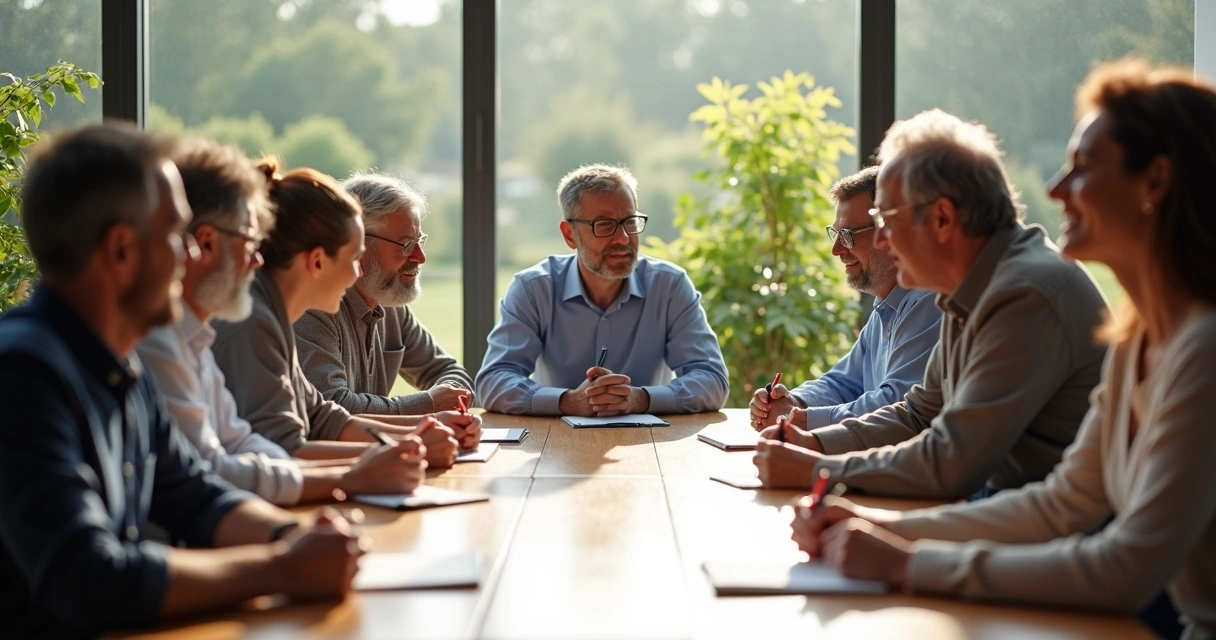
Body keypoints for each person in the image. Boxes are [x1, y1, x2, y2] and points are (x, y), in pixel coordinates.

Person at [790, 59, 1216, 639]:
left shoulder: (1198, 348)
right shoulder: (1140, 337)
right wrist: (874, 523)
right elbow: (1062, 501)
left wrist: (907, 560)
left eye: (1082, 168)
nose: (1054, 189)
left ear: (1156, 182)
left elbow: (1125, 567)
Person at [0, 124, 399, 637]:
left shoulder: (119, 364)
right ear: (121, 250)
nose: (191, 256)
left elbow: (194, 493)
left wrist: (297, 537)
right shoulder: (24, 376)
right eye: (175, 235)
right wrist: (282, 565)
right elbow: (87, 577)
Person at [754, 108, 1109, 499]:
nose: (883, 240)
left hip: (1039, 536)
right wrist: (816, 446)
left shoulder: (1024, 295)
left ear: (942, 218)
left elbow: (951, 462)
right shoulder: (972, 289)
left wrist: (818, 468)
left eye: (887, 219)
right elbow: (917, 413)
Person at [137, 138, 427, 506]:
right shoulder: (246, 321)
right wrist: (362, 471)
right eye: (249, 243)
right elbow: (244, 458)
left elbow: (303, 422)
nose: (257, 261)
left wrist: (401, 447)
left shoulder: (210, 330)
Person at [210, 159, 480, 468]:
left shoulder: (273, 313)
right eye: (353, 257)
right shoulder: (259, 321)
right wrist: (410, 445)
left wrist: (423, 429)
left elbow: (324, 418)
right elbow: (285, 448)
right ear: (318, 261)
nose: (356, 272)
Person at [476, 164, 729, 416]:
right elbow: (493, 381)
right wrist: (568, 402)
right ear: (569, 234)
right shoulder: (534, 289)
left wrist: (640, 399)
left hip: (650, 444)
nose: (624, 238)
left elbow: (712, 380)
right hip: (556, 447)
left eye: (630, 222)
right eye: (605, 225)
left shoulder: (669, 286)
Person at [749, 166, 941, 430]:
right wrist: (795, 401)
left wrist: (801, 419)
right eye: (835, 233)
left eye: (849, 235)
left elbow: (895, 406)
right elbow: (842, 383)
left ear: (889, 232)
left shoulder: (929, 302)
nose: (836, 249)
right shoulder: (887, 308)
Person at [295, 172, 473, 416]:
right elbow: (332, 408)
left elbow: (449, 371)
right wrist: (429, 404)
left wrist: (450, 398)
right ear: (358, 244)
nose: (421, 257)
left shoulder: (391, 305)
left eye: (419, 240)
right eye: (406, 244)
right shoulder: (311, 308)